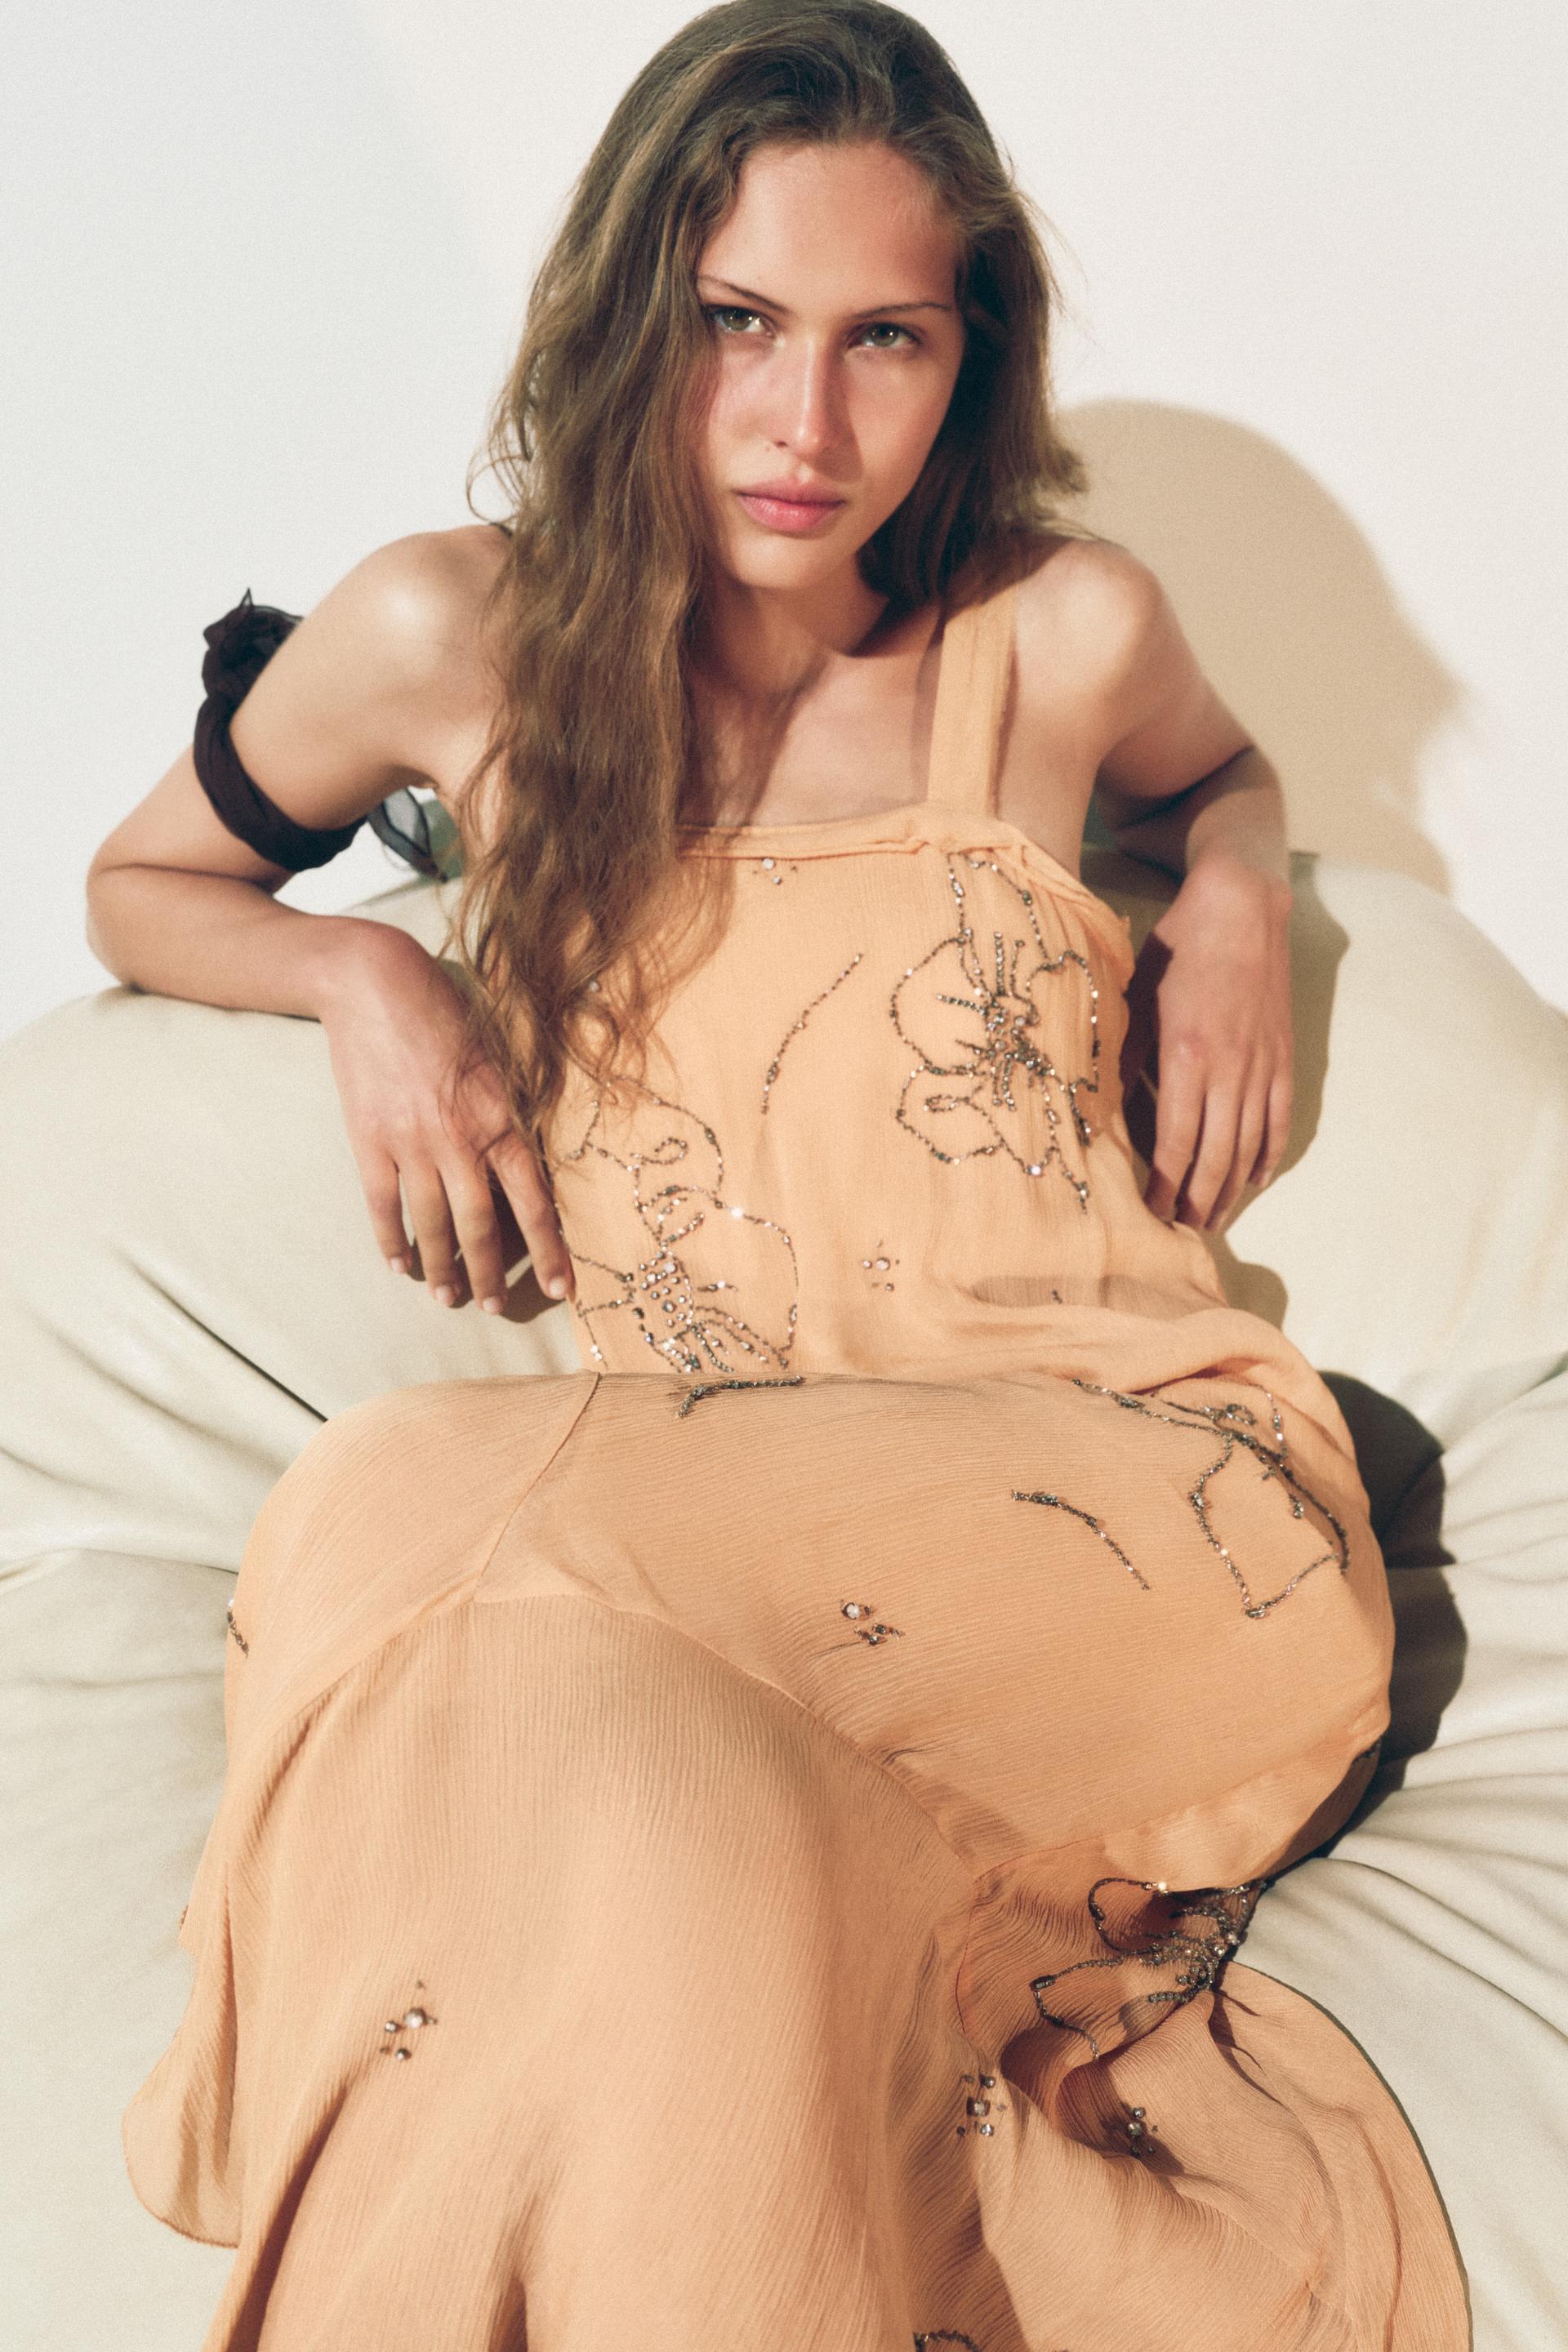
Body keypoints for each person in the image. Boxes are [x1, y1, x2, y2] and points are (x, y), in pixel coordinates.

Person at [103, 3, 1468, 2344]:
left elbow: (1221, 773)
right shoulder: (448, 635)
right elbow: (143, 882)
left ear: (968, 358)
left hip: (1164, 1517)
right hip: (731, 1621)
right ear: (630, 310)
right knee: (642, 1857)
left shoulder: (1057, 635)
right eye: (736, 322)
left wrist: (1236, 884)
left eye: (883, 340)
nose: (802, 425)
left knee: (400, 1503)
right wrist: (365, 977)